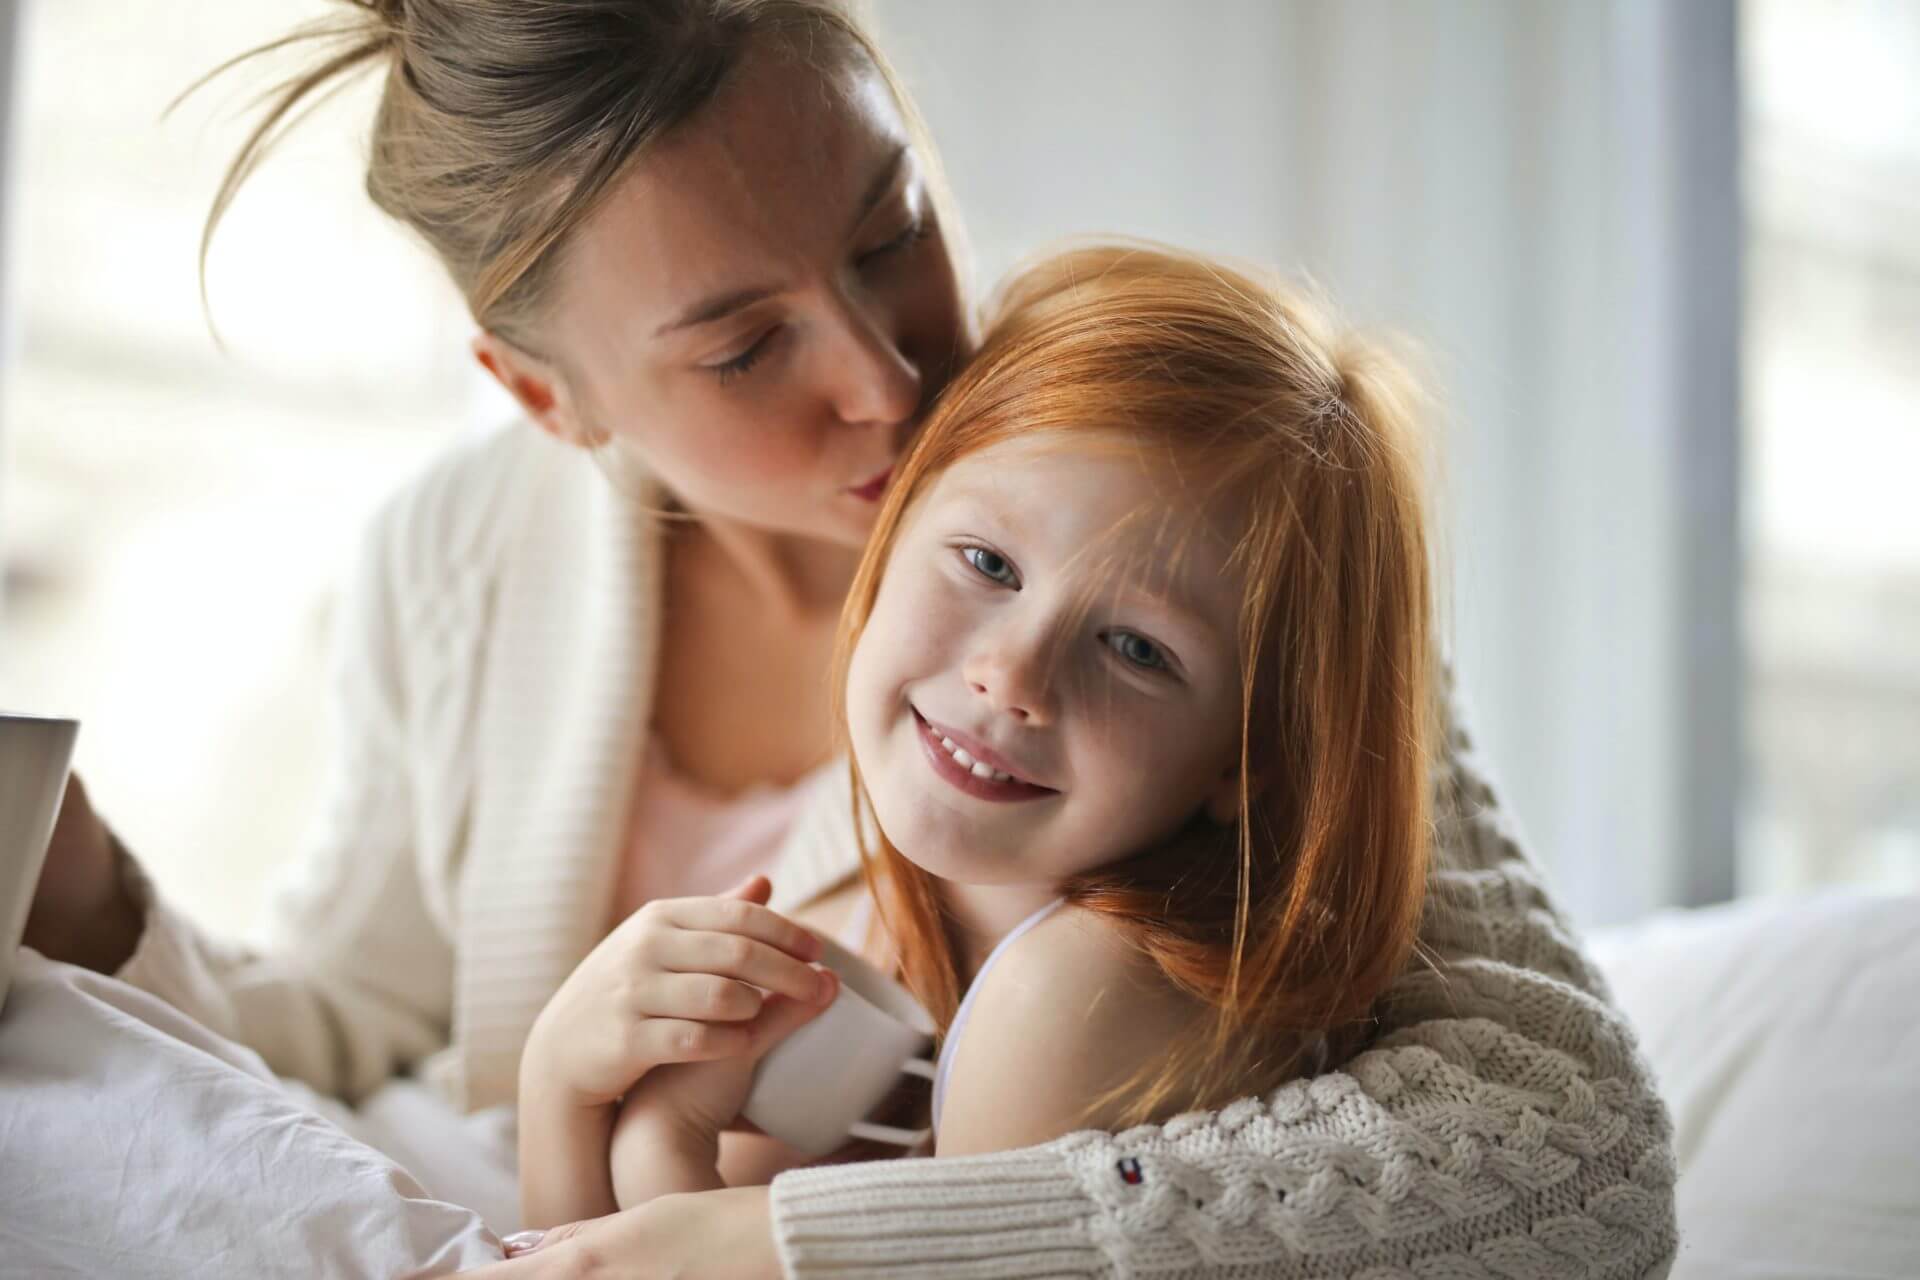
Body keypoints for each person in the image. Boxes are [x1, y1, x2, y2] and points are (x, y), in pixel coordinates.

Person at [23, 2, 1678, 1276]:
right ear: (547, 395)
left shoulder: (1158, 488)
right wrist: (87, 898)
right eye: (745, 347)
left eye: (892, 233)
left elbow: (1578, 1153)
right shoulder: (457, 553)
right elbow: (356, 1027)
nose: (891, 378)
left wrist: (795, 1251)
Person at [528, 242, 1442, 1220]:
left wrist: (655, 1141)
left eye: (1138, 647)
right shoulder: (889, 911)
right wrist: (562, 1089)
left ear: (1246, 758)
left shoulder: (1082, 998)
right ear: (890, 530)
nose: (1011, 677)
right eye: (987, 562)